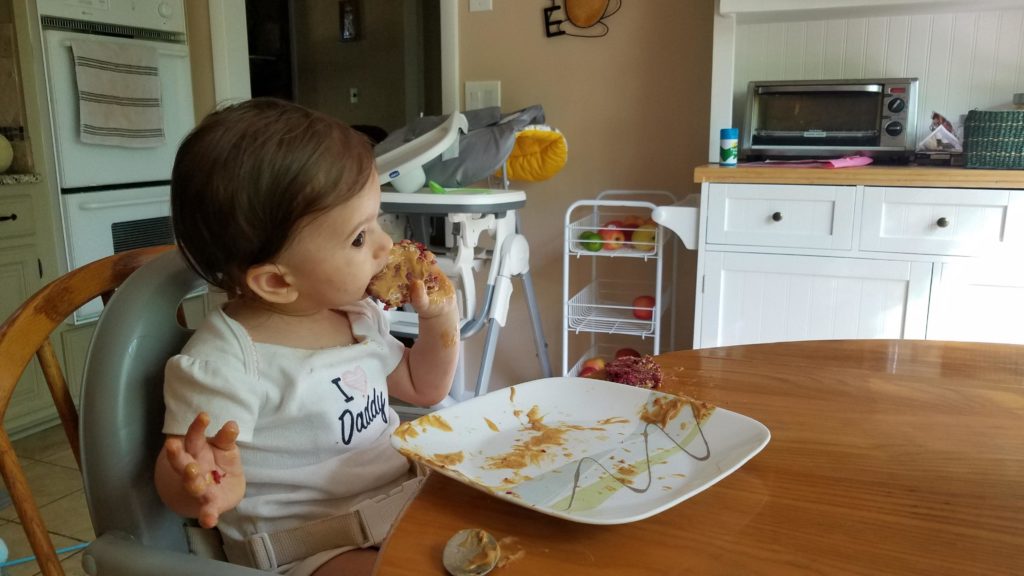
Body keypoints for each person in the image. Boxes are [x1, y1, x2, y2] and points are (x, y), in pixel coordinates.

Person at [153, 98, 460, 576]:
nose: (385, 245)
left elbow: (426, 387)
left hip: (403, 509)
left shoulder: (357, 317)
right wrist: (201, 485)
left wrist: (441, 317)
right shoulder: (227, 361)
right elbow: (185, 472)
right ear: (276, 281)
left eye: (378, 220)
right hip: (313, 551)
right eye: (360, 237)